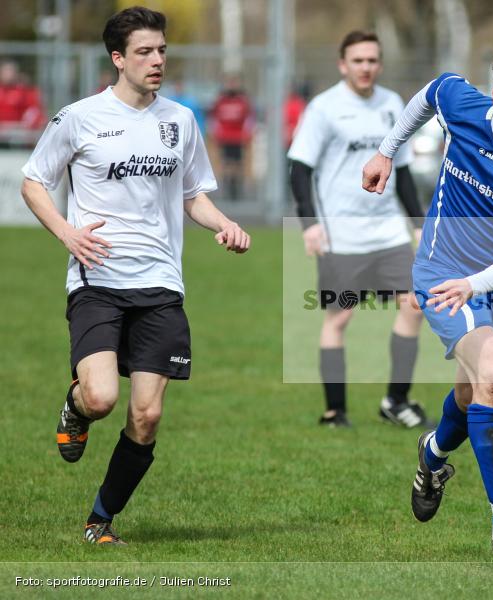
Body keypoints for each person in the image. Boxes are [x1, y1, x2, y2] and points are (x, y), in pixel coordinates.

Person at [20, 6, 251, 545]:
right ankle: (76, 407)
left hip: (161, 284)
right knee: (101, 398)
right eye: (145, 51)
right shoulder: (80, 117)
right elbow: (33, 181)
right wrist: (66, 233)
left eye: (162, 50)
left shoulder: (181, 120)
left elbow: (193, 194)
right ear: (118, 59)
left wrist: (223, 224)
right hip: (98, 280)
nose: (157, 60)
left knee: (146, 416)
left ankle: (99, 521)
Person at [363, 50, 493, 560]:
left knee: (473, 391)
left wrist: (476, 285)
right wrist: (386, 151)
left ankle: (432, 455)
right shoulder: (462, 103)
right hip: (442, 272)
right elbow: (428, 95)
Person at [288, 31, 430, 429]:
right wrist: (310, 224)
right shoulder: (324, 108)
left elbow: (402, 170)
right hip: (342, 234)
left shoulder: (393, 104)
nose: (366, 67)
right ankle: (335, 411)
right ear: (342, 64)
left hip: (388, 232)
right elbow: (300, 169)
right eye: (358, 60)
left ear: (380, 64)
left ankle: (396, 402)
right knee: (340, 318)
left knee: (415, 305)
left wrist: (417, 224)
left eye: (372, 60)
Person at [210, 74, 254, 199]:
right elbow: (214, 118)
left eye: (234, 83)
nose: (232, 86)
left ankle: (236, 186)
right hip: (225, 137)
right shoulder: (221, 100)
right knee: (226, 162)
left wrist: (247, 133)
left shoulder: (242, 101)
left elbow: (249, 119)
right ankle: (227, 185)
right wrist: (215, 133)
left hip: (238, 138)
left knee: (238, 163)